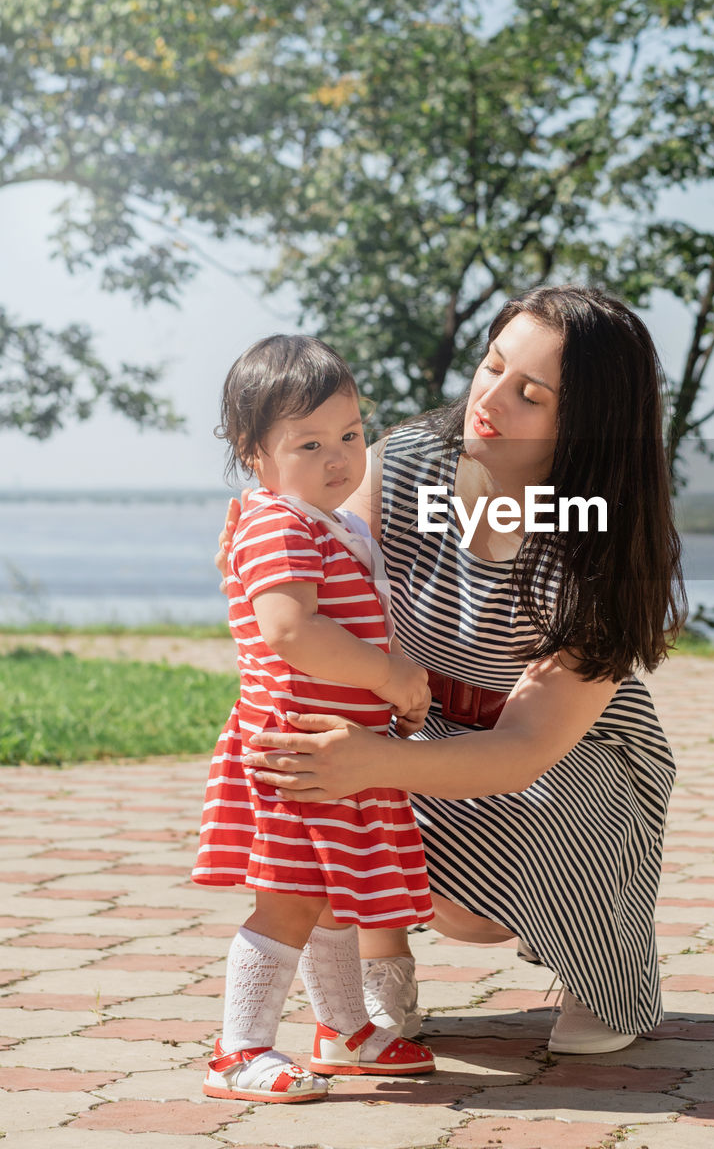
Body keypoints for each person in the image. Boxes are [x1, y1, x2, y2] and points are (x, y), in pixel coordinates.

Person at [230, 286, 686, 1054]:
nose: (490, 399)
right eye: (492, 365)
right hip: (412, 712)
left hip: (567, 759)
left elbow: (524, 750)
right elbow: (312, 581)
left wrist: (376, 760)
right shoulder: (402, 464)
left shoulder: (603, 551)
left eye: (530, 394)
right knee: (333, 770)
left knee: (537, 808)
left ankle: (602, 974)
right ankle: (380, 968)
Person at [193, 334, 437, 1104]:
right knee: (292, 898)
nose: (339, 458)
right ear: (253, 452)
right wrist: (392, 674)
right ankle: (239, 1050)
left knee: (335, 896)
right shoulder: (278, 524)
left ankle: (344, 1031)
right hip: (295, 750)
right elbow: (291, 632)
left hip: (341, 752)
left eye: (351, 436)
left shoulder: (334, 525)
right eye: (309, 443)